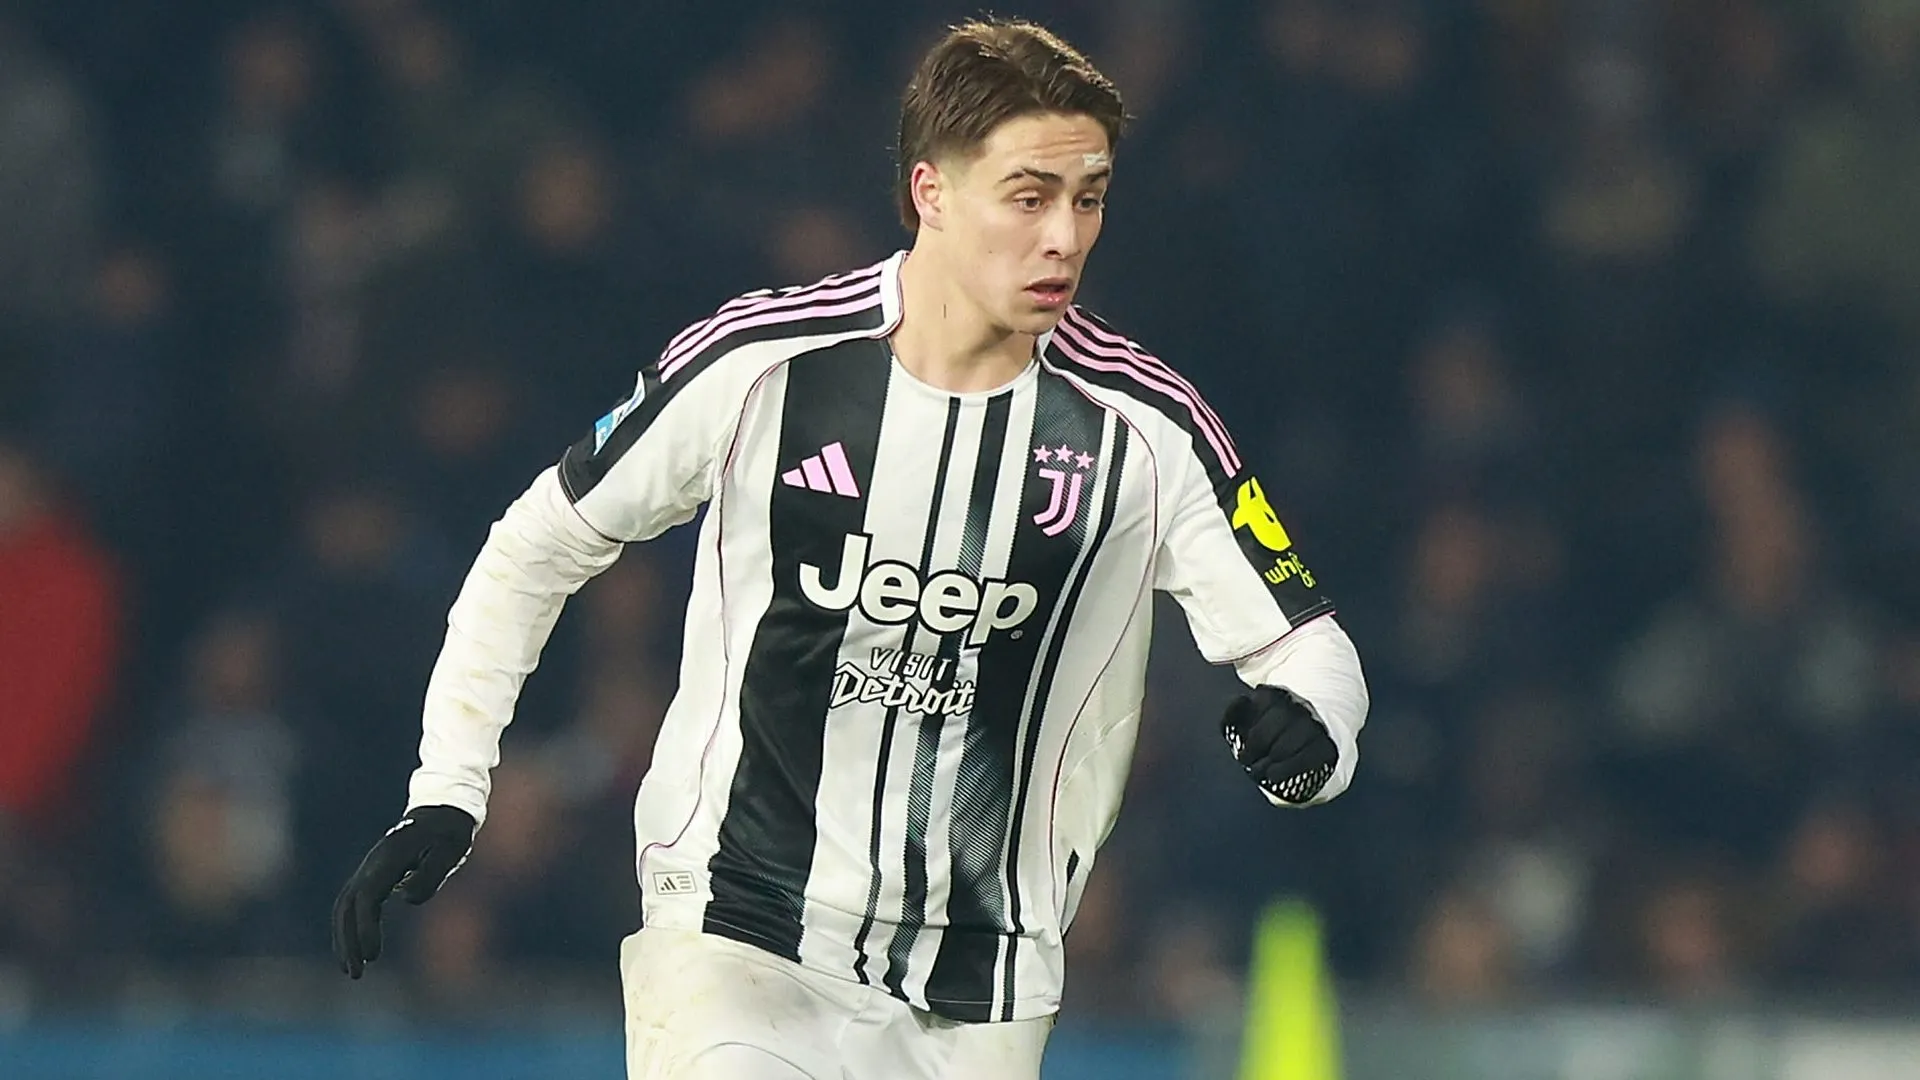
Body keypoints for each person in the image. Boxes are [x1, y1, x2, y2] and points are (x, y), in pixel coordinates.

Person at [331, 17, 1368, 1079]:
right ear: (932, 192)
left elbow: (1308, 650)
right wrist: (449, 787)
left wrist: (1310, 745)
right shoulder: (763, 364)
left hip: (983, 990)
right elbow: (536, 545)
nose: (1065, 235)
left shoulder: (1148, 431)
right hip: (741, 929)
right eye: (1029, 196)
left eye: (1088, 196)